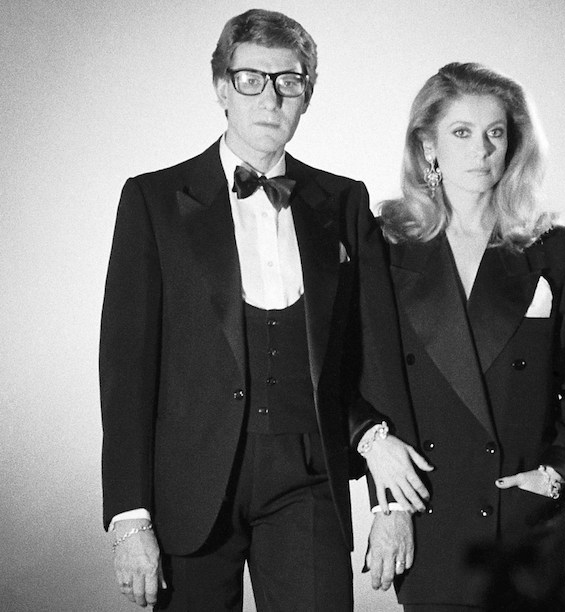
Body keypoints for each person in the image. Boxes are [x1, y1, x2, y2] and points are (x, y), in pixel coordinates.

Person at [99, 9, 425, 611]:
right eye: (251, 79)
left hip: (311, 476)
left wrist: (390, 504)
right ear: (222, 88)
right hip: (191, 484)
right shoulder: (153, 199)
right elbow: (126, 369)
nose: (270, 98)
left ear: (308, 96)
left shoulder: (345, 202)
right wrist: (128, 514)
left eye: (289, 81)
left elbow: (376, 355)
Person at [362, 62, 565, 610]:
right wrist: (388, 505)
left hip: (521, 518)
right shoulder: (382, 248)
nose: (481, 150)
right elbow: (360, 380)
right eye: (461, 132)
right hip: (429, 512)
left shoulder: (559, 250)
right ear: (428, 146)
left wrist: (555, 475)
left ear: (513, 144)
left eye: (495, 133)